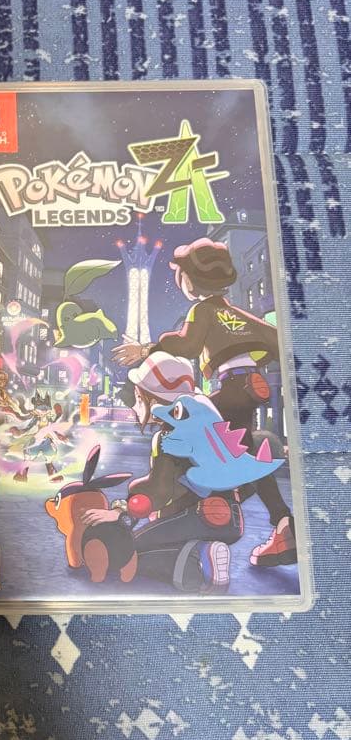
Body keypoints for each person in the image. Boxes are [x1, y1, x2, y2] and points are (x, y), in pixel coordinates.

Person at [113, 237, 296, 568]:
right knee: (246, 449)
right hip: (249, 386)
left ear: (190, 279)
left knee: (186, 431)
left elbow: (187, 345)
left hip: (231, 386)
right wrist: (253, 358)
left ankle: (199, 503)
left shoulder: (203, 310)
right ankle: (283, 524)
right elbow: (277, 340)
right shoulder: (235, 312)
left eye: (181, 275)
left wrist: (146, 350)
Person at [81, 352, 243, 592]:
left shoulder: (169, 436)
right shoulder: (205, 424)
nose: (136, 406)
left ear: (153, 399)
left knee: (129, 551)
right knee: (154, 536)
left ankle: (199, 558)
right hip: (231, 519)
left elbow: (160, 490)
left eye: (139, 398)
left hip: (199, 517)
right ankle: (201, 550)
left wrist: (121, 512)